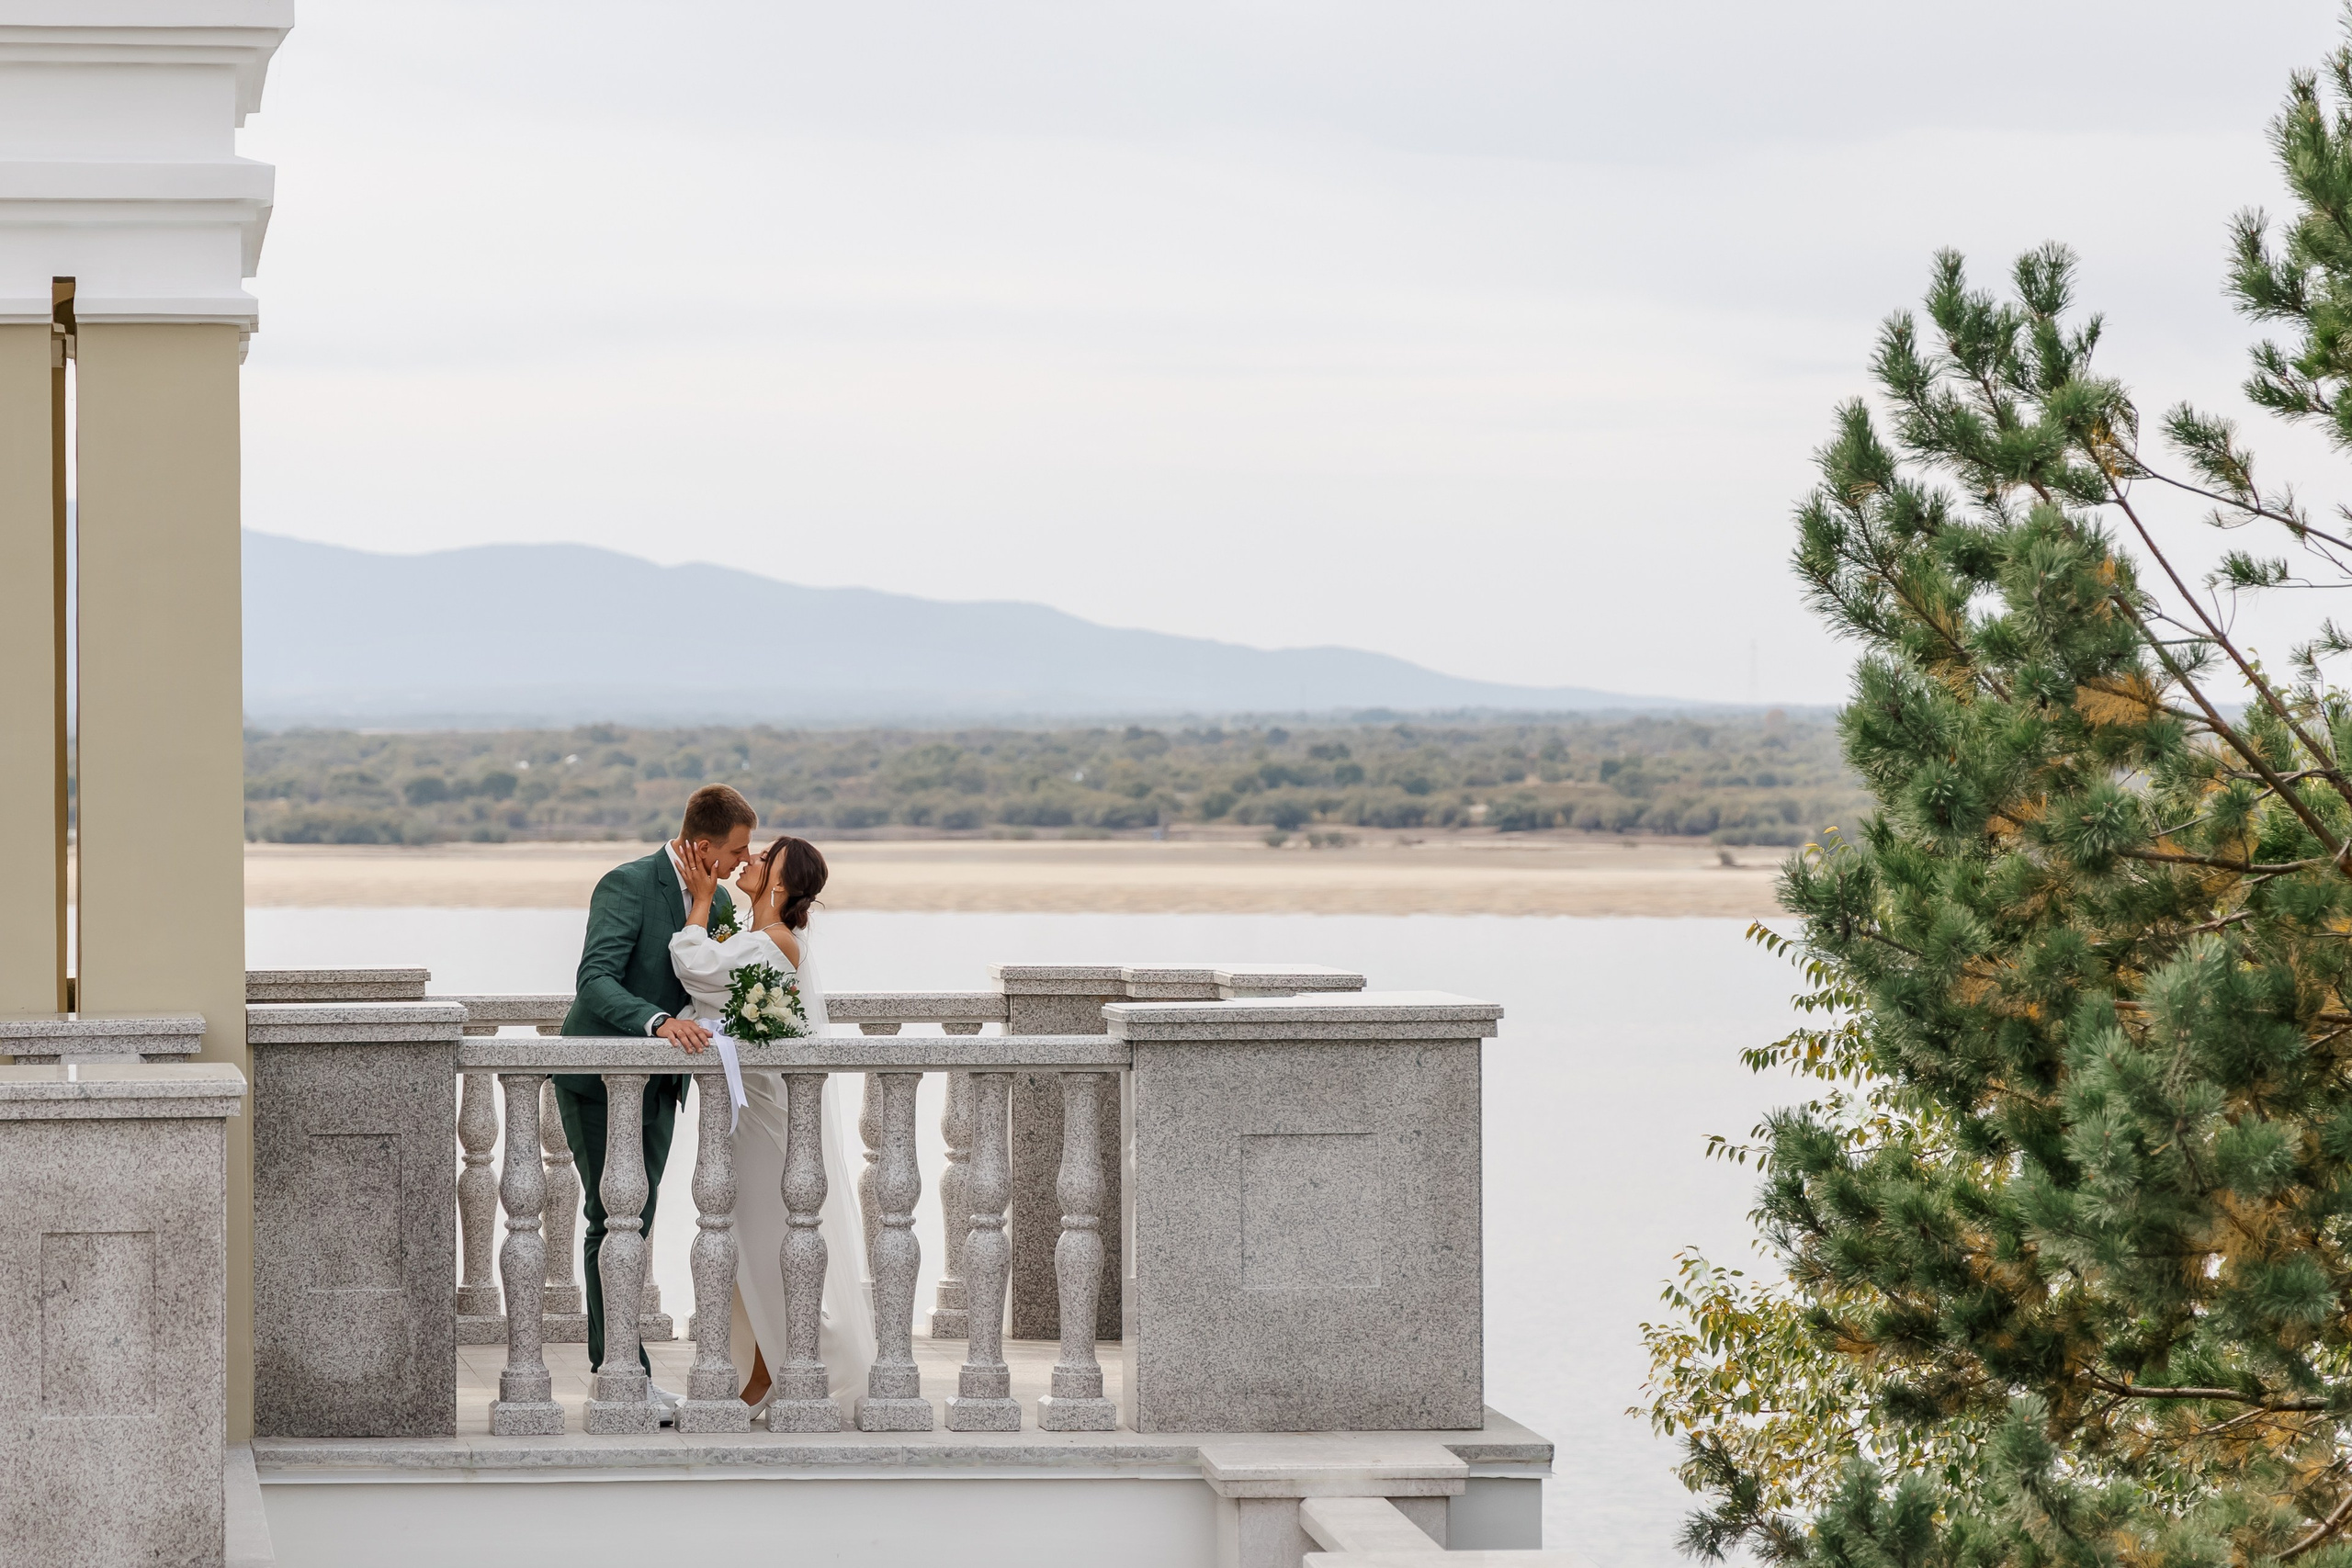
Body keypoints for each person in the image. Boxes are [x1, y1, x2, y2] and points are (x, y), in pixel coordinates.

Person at [553, 783, 753, 1422]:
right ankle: (618, 1370)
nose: (742, 863)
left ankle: (626, 1366)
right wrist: (659, 1021)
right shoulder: (628, 883)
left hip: (661, 1085)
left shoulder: (720, 901)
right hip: (599, 1078)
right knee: (609, 1217)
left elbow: (716, 979)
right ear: (703, 845)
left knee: (638, 1220)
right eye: (736, 851)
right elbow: (595, 980)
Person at [670, 834, 876, 1412]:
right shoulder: (755, 937)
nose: (751, 858)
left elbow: (693, 967)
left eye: (764, 859)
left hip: (767, 1122)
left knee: (764, 1251)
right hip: (749, 1114)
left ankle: (812, 1371)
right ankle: (761, 1377)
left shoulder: (777, 942)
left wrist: (700, 901)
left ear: (779, 883)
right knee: (744, 1250)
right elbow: (712, 999)